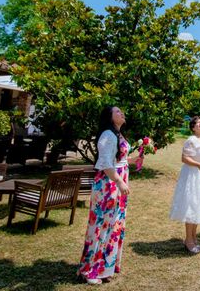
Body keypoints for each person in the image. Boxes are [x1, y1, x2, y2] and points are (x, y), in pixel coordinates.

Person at [78, 106, 132, 285]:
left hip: (117, 182)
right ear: (109, 117)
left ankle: (106, 267)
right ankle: (90, 270)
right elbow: (105, 163)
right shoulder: (107, 135)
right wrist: (120, 182)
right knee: (101, 225)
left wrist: (134, 160)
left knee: (114, 224)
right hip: (108, 185)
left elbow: (118, 159)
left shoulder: (118, 134)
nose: (121, 113)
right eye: (117, 111)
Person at [169, 116, 200, 254]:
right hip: (192, 175)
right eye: (197, 123)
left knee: (199, 205)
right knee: (192, 205)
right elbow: (184, 158)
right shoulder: (191, 140)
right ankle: (188, 239)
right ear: (193, 128)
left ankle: (193, 236)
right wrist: (197, 164)